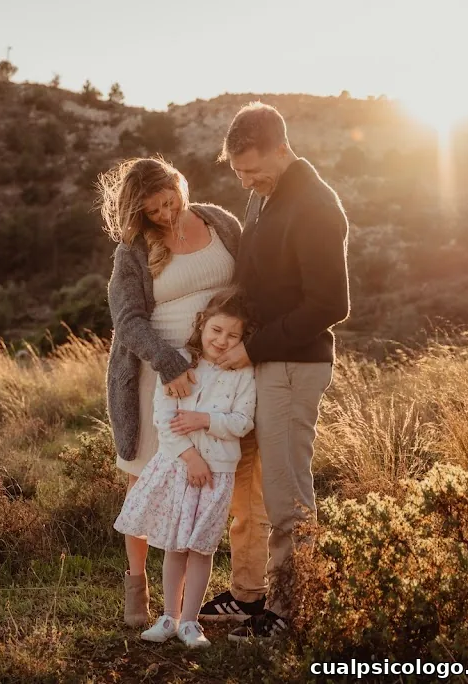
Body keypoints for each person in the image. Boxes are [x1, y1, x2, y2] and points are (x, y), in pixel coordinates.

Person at [204, 102, 350, 642]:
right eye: (238, 172)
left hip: (293, 365)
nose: (245, 181)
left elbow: (331, 303)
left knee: (287, 490)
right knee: (253, 486)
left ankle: (291, 612)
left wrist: (255, 347)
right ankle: (250, 596)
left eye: (253, 169)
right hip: (261, 360)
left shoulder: (316, 205)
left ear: (283, 149)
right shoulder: (262, 195)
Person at [101, 156, 267, 628]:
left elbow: (249, 288)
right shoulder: (133, 249)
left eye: (169, 202)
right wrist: (170, 363)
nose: (165, 214)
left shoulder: (220, 223)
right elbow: (127, 320)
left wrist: (247, 346)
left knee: (214, 470)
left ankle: (205, 591)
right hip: (162, 374)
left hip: (221, 373)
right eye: (152, 211)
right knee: (144, 475)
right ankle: (137, 585)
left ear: (180, 185)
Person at [114, 287, 257, 648]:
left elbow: (242, 422)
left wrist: (204, 420)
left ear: (243, 339)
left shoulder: (244, 374)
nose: (222, 341)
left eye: (233, 335)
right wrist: (191, 457)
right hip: (180, 468)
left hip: (217, 474)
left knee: (201, 548)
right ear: (202, 324)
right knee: (175, 546)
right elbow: (164, 419)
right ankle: (169, 617)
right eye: (216, 330)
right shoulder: (181, 363)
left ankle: (190, 622)